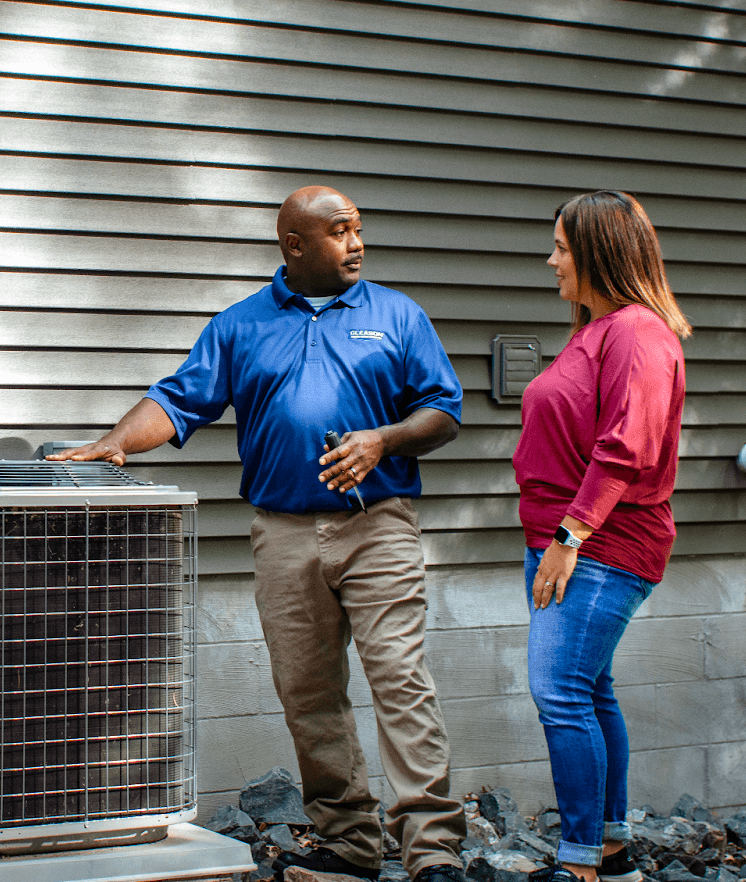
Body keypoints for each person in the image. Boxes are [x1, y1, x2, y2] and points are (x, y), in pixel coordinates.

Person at [50, 186, 468, 882]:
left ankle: (433, 853)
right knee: (307, 693)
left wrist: (383, 440)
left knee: (400, 680)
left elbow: (443, 410)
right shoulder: (241, 325)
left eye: (359, 230)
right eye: (340, 233)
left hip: (377, 527)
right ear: (295, 245)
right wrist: (116, 440)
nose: (357, 244)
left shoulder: (397, 315)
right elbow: (178, 398)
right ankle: (350, 843)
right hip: (282, 534)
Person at [515, 191, 692, 882]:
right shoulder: (595, 329)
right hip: (570, 541)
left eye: (561, 246)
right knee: (589, 689)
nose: (552, 258)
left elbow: (626, 447)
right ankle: (609, 844)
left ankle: (580, 861)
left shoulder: (638, 333)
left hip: (601, 545)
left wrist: (570, 534)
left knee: (558, 690)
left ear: (597, 253)